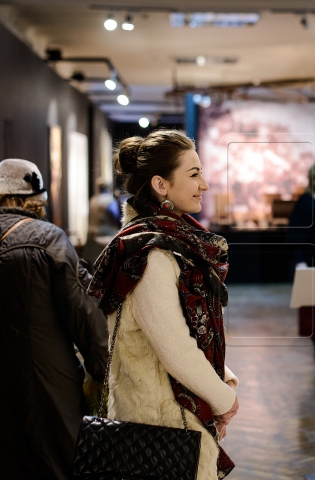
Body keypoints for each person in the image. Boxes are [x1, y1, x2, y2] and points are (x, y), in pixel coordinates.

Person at [87, 130, 240, 480]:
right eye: (193, 174)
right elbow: (175, 348)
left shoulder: (164, 241)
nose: (204, 183)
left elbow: (176, 332)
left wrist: (222, 381)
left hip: (170, 415)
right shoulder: (152, 254)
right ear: (160, 184)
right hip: (163, 422)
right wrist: (225, 399)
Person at [0, 158, 108, 480]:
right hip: (45, 387)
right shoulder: (48, 239)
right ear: (38, 199)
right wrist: (103, 368)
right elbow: (82, 313)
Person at [288, 163, 315, 367]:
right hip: (311, 262)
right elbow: (295, 234)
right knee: (313, 311)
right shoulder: (305, 202)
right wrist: (300, 260)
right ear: (314, 178)